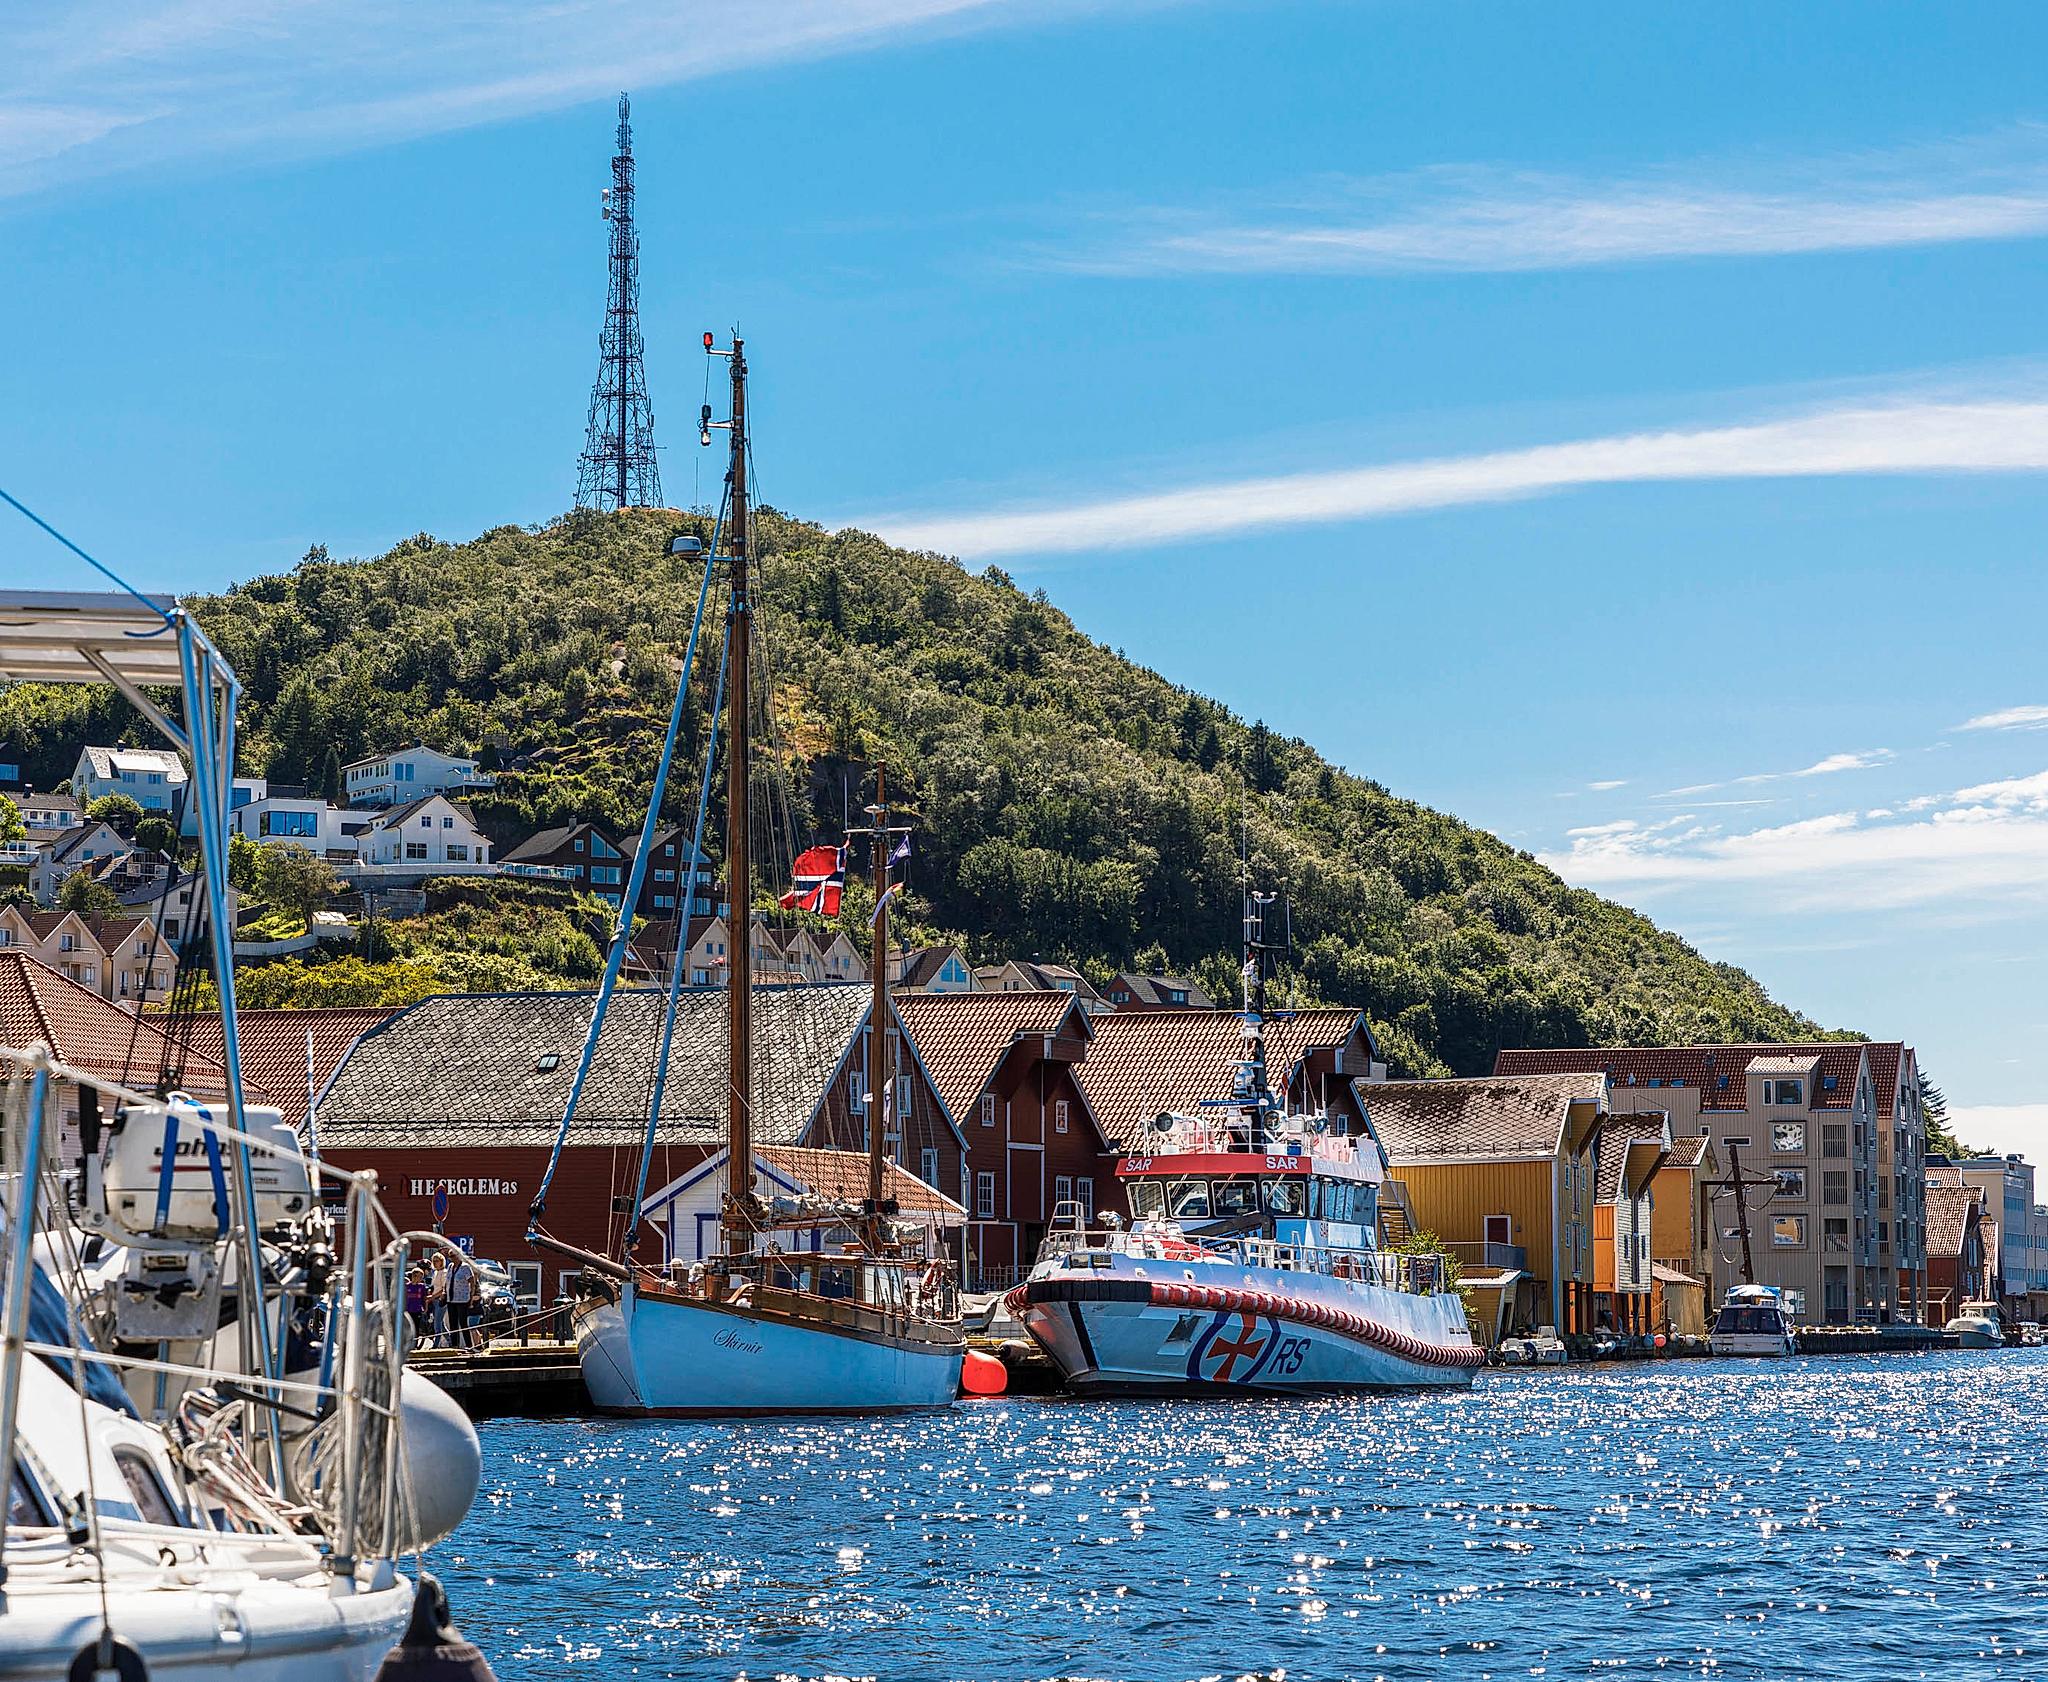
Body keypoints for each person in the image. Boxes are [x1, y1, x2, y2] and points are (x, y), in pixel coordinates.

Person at [447, 1252, 478, 1349]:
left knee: (463, 1323)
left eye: (454, 1256)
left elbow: (472, 1282)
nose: (452, 1259)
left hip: (462, 1299)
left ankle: (469, 1345)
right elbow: (447, 1281)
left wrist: (471, 1296)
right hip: (451, 1299)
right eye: (451, 1257)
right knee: (453, 1323)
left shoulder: (465, 1267)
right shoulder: (450, 1266)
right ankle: (454, 1345)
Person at [427, 1253, 450, 1348]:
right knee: (440, 1323)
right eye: (434, 1261)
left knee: (437, 1323)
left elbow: (443, 1288)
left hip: (440, 1299)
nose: (435, 1263)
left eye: (437, 1261)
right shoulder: (435, 1272)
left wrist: (432, 1297)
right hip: (434, 1299)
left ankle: (436, 1344)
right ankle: (450, 1339)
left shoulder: (444, 1272)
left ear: (442, 1261)